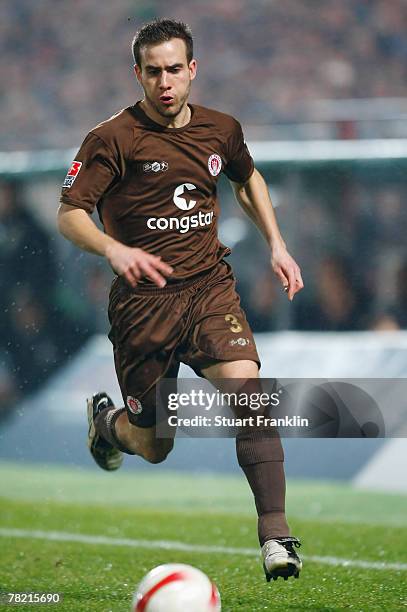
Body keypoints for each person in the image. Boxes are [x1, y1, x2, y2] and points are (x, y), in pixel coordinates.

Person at [57, 19, 304, 582]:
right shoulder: (112, 138)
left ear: (192, 69)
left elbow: (246, 178)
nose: (165, 82)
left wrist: (277, 243)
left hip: (208, 289)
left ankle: (276, 537)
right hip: (143, 307)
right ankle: (111, 427)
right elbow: (70, 214)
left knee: (252, 396)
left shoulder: (222, 128)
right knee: (155, 444)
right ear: (137, 74)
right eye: (153, 72)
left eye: (174, 69)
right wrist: (114, 250)